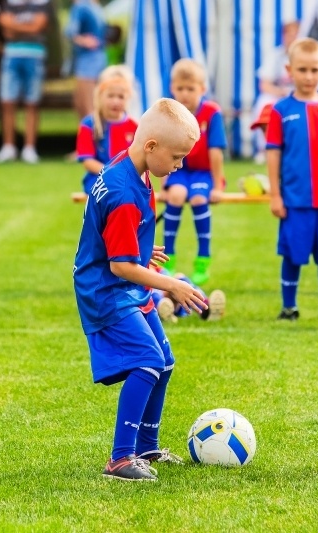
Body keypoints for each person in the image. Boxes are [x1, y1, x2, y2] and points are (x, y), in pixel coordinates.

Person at [73, 97, 207, 482]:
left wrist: (142, 251)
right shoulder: (125, 195)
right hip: (108, 288)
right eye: (178, 157)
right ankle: (120, 459)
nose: (180, 166)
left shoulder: (131, 164)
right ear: (151, 147)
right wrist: (171, 284)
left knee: (164, 360)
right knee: (146, 361)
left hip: (123, 278)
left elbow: (118, 244)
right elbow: (118, 264)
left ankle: (147, 447)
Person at [266, 37, 318, 321]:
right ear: (289, 70)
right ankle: (288, 307)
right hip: (295, 200)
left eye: (314, 69)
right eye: (302, 70)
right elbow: (273, 155)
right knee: (292, 255)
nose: (308, 76)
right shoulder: (280, 110)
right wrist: (276, 195)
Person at [163, 58, 227, 285]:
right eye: (180, 88)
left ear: (202, 89)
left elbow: (216, 152)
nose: (185, 94)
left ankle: (203, 259)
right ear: (172, 88)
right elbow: (161, 149)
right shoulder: (169, 112)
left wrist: (218, 186)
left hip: (203, 173)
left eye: (191, 89)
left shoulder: (212, 113)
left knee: (200, 198)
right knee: (176, 195)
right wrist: (163, 183)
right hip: (178, 170)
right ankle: (167, 258)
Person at [0, 0, 52, 164]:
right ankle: (8, 147)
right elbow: (5, 29)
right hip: (11, 54)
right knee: (7, 102)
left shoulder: (43, 3)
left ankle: (29, 148)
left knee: (32, 103)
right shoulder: (10, 2)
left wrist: (15, 27)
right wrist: (28, 28)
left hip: (35, 55)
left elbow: (38, 26)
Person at [75, 65, 138, 194]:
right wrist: (112, 173)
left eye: (120, 96)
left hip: (128, 178)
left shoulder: (135, 126)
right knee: (114, 193)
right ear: (100, 95)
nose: (115, 101)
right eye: (110, 96)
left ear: (129, 97)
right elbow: (87, 161)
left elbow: (139, 159)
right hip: (97, 178)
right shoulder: (89, 125)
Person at [252, 19, 298, 163]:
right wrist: (279, 92)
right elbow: (264, 85)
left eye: (295, 35)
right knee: (263, 104)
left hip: (299, 96)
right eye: (289, 35)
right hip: (278, 95)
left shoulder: (304, 56)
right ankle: (263, 148)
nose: (292, 39)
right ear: (283, 36)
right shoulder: (275, 55)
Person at [66, 0, 107, 123]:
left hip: (87, 63)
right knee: (88, 105)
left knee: (87, 107)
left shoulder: (82, 6)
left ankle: (91, 140)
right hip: (99, 59)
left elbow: (69, 31)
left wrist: (82, 40)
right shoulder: (96, 7)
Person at [150, 266, 226, 323]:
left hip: (175, 301)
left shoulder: (156, 267)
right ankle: (161, 309)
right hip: (152, 296)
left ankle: (206, 308)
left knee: (180, 278)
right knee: (151, 291)